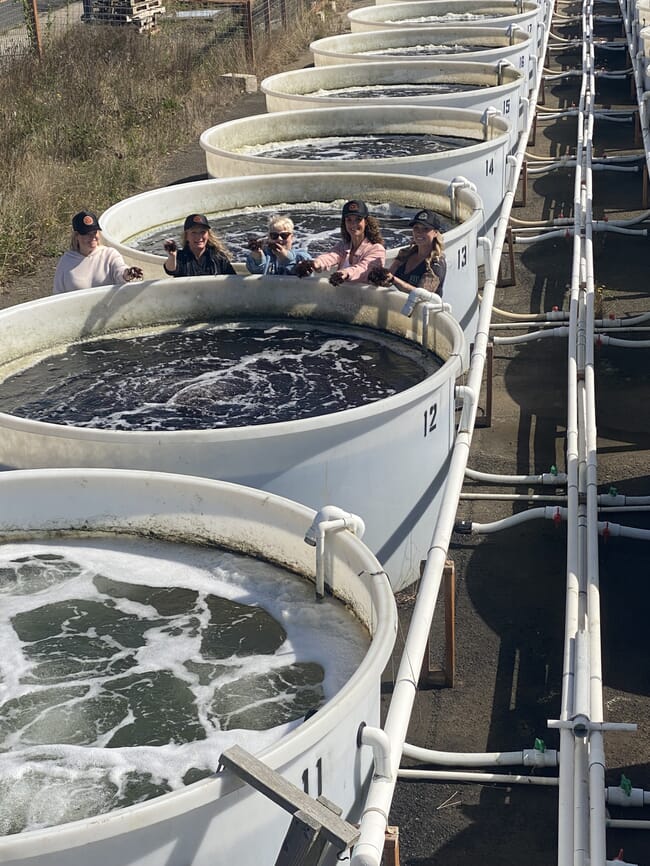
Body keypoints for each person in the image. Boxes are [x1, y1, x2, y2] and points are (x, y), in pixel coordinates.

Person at [295, 200, 385, 286]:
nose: (353, 224)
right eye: (349, 220)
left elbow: (363, 269)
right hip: (343, 297)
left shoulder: (377, 249)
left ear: (366, 222)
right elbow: (330, 256)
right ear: (344, 223)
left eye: (358, 219)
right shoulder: (343, 245)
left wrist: (344, 273)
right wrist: (314, 264)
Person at [53, 211, 143, 294]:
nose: (92, 237)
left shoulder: (109, 254)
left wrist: (128, 273)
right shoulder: (66, 261)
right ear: (77, 236)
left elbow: (120, 271)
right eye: (87, 234)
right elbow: (57, 294)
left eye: (94, 232)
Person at [368, 209, 447, 297]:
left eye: (425, 229)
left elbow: (424, 295)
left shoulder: (437, 263)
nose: (419, 232)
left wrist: (394, 280)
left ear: (435, 233)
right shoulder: (405, 253)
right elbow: (388, 279)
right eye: (416, 228)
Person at [163, 214, 236, 277]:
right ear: (186, 236)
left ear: (208, 235)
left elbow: (232, 280)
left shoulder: (219, 257)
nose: (199, 237)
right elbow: (170, 270)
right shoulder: (180, 257)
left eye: (203, 232)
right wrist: (172, 256)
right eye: (193, 232)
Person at [245, 215, 311, 276]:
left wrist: (286, 257)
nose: (279, 239)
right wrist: (258, 258)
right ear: (269, 238)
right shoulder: (266, 255)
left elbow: (308, 270)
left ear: (291, 238)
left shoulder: (301, 255)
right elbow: (256, 272)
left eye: (284, 235)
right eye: (274, 236)